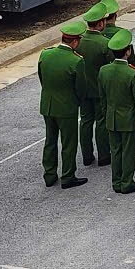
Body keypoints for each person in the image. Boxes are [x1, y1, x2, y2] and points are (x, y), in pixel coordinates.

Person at [38, 20, 88, 189]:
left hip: (48, 105)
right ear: (74, 42)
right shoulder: (76, 61)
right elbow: (81, 88)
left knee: (50, 141)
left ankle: (49, 174)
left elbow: (42, 79)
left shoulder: (45, 54)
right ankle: (68, 176)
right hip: (67, 108)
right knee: (68, 143)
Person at [98, 29, 135, 194]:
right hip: (129, 118)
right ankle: (127, 182)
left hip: (112, 117)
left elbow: (102, 98)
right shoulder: (132, 73)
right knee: (129, 152)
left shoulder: (104, 71)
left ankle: (116, 181)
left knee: (116, 150)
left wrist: (106, 115)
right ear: (128, 52)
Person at [77, 3, 112, 168]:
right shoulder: (104, 43)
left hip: (84, 89)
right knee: (101, 121)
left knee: (85, 121)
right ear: (100, 23)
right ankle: (104, 154)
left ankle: (87, 155)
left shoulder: (79, 41)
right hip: (100, 90)